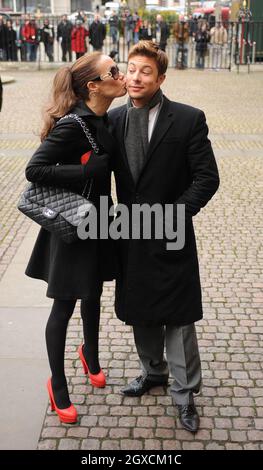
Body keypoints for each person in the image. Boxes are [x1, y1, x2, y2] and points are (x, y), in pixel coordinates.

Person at [108, 41, 220, 433]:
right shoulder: (114, 120)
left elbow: (207, 178)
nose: (136, 77)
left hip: (171, 232)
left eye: (146, 72)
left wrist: (175, 214)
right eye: (131, 69)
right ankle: (152, 372)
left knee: (178, 315)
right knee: (140, 309)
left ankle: (185, 392)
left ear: (161, 79)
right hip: (130, 235)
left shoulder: (188, 119)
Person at [24, 53, 126, 424]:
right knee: (65, 304)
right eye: (113, 71)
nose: (122, 74)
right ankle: (58, 384)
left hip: (99, 221)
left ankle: (92, 355)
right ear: (93, 86)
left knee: (94, 291)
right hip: (71, 226)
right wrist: (81, 168)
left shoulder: (106, 119)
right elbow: (34, 170)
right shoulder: (73, 125)